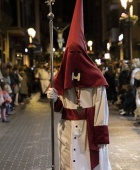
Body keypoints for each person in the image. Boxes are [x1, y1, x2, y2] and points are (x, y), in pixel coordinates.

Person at [47, 0, 111, 169]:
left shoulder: (96, 79)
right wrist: (54, 99)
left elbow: (102, 110)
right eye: (71, 53)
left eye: (77, 53)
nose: (74, 57)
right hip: (67, 129)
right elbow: (61, 108)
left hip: (87, 132)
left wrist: (101, 136)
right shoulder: (61, 77)